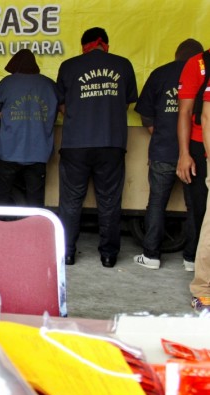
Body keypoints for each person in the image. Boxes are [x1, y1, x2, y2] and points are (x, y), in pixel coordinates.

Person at [56, 27, 138, 268]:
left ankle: (67, 253)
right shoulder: (123, 65)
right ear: (106, 44)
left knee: (71, 201)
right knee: (109, 200)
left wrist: (81, 113)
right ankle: (109, 256)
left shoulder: (68, 66)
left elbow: (62, 106)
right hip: (111, 142)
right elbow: (125, 104)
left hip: (75, 143)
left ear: (84, 46)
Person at [133, 39, 204, 270]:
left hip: (163, 150)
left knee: (156, 203)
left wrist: (161, 134)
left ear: (176, 54)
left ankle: (151, 256)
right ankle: (191, 259)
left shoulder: (160, 74)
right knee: (195, 207)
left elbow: (146, 115)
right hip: (195, 152)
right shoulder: (203, 74)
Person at [0, 49, 60, 207]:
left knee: (2, 197)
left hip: (9, 149)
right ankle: (34, 224)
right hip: (38, 151)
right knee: (35, 201)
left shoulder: (6, 83)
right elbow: (54, 115)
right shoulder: (49, 85)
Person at [176, 43, 210, 274]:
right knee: (200, 207)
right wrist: (184, 153)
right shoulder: (198, 64)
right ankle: (196, 259)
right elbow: (185, 111)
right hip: (200, 146)